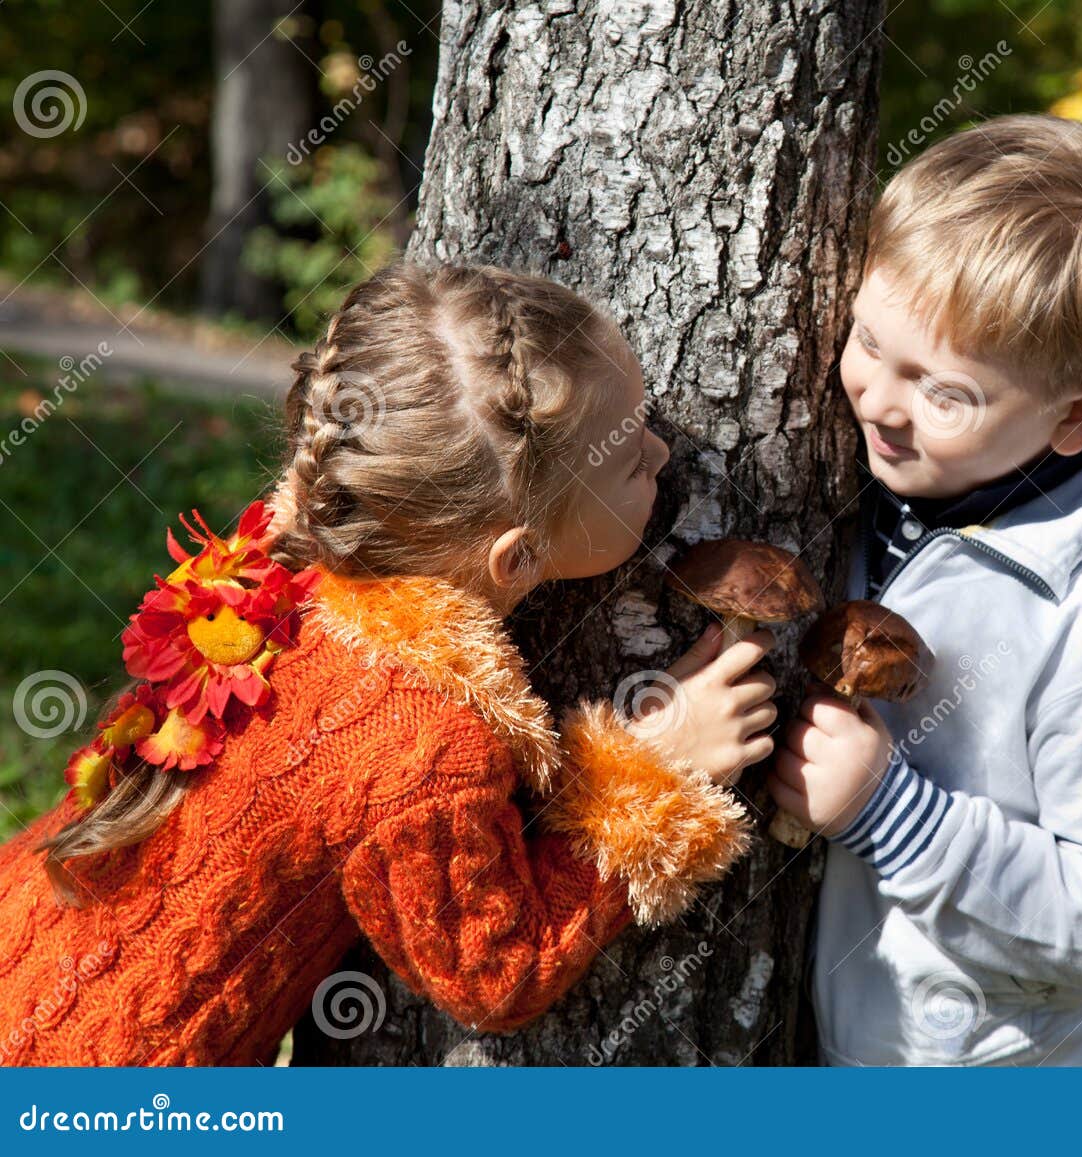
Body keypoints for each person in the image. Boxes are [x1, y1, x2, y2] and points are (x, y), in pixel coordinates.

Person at [0, 263, 776, 1066]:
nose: (658, 448)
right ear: (518, 558)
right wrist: (650, 774)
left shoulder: (274, 572)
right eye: (631, 463)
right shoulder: (420, 740)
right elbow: (493, 972)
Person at [770, 115, 1082, 1066]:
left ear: (1081, 415)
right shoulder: (859, 491)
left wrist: (893, 814)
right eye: (867, 340)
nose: (878, 402)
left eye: (944, 392)